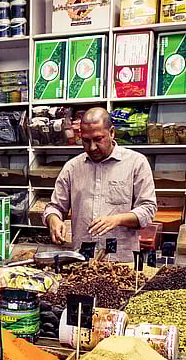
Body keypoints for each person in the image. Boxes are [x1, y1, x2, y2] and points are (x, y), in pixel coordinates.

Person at [43, 107, 157, 252]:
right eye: (86, 141)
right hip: (83, 258)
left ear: (112, 133)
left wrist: (118, 219)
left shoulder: (136, 163)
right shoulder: (72, 167)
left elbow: (148, 209)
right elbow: (55, 207)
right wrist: (53, 219)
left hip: (120, 260)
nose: (92, 147)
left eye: (98, 139)